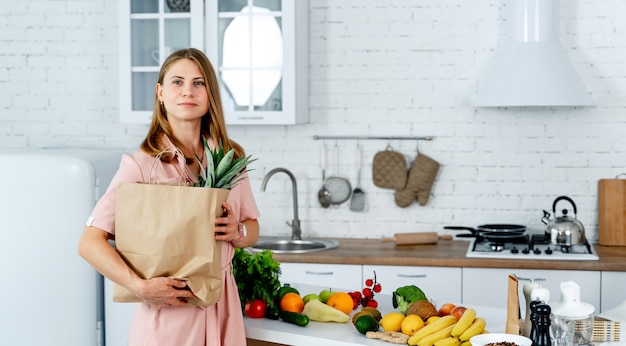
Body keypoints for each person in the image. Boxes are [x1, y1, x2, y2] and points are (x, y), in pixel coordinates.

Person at [78, 48, 260, 345]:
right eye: (177, 82)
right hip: (170, 314)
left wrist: (237, 231)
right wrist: (140, 286)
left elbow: (252, 227)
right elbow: (89, 243)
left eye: (199, 83)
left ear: (210, 93)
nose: (188, 91)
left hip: (223, 307)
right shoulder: (141, 164)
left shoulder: (230, 156)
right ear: (160, 92)